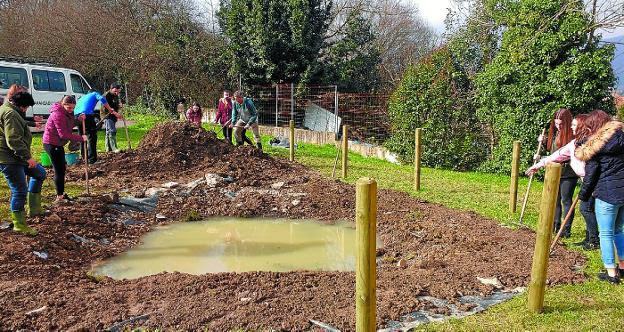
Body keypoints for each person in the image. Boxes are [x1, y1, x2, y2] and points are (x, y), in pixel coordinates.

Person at [526, 114, 599, 249]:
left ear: (582, 127)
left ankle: (594, 240)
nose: (571, 127)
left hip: (596, 182)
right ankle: (589, 238)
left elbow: (594, 168)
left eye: (574, 125)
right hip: (587, 181)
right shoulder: (573, 144)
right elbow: (557, 155)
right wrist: (538, 165)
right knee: (587, 209)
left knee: (586, 209)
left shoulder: (591, 144)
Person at [575, 110, 624, 283]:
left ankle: (611, 273)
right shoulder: (621, 138)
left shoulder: (595, 147)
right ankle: (623, 267)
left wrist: (583, 194)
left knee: (605, 233)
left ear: (595, 126)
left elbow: (591, 175)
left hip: (607, 194)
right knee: (619, 230)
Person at [0, 91, 45, 235]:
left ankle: (34, 208)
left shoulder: (10, 110)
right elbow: (13, 139)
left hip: (17, 156)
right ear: (20, 105)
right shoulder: (10, 114)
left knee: (39, 173)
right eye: (25, 107)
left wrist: (32, 123)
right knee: (19, 190)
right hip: (9, 158)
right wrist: (27, 157)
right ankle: (19, 224)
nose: (26, 110)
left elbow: (21, 122)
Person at [42, 96, 87, 202]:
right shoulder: (57, 114)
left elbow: (69, 123)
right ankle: (59, 196)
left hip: (58, 144)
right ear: (62, 104)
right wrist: (80, 138)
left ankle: (61, 194)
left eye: (73, 108)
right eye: (69, 108)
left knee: (62, 169)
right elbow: (63, 134)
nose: (71, 110)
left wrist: (79, 120)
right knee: (59, 170)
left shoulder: (66, 113)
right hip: (52, 144)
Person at [541, 109, 577, 237]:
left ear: (566, 122)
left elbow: (567, 155)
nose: (558, 126)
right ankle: (555, 225)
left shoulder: (572, 136)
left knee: (566, 200)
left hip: (568, 174)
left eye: (561, 124)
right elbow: (552, 151)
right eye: (556, 124)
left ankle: (565, 230)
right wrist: (544, 142)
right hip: (554, 172)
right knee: (555, 200)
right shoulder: (555, 134)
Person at [74, 90, 119, 164]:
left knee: (82, 137)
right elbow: (102, 99)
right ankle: (92, 160)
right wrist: (110, 109)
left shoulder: (82, 97)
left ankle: (84, 157)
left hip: (77, 116)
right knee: (92, 137)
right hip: (86, 115)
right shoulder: (94, 93)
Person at [101, 83, 123, 153]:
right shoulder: (106, 96)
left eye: (118, 91)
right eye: (115, 91)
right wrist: (116, 114)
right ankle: (114, 148)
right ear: (111, 89)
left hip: (113, 115)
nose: (117, 93)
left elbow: (115, 105)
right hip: (107, 115)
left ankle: (108, 149)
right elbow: (108, 109)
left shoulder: (115, 95)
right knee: (112, 130)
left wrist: (119, 107)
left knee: (108, 132)